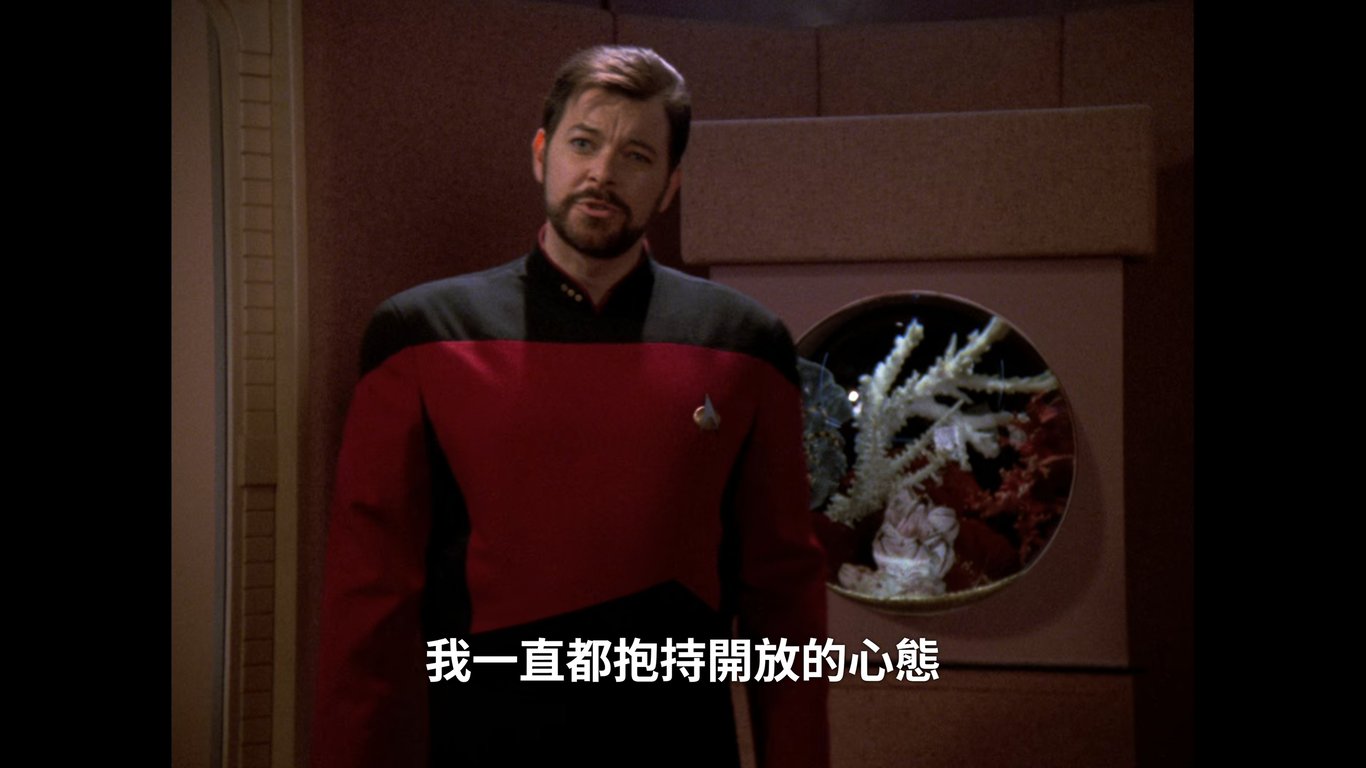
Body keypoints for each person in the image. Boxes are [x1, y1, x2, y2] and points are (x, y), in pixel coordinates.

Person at [313, 45, 829, 768]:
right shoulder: (420, 334)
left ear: (670, 185)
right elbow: (370, 597)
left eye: (637, 156)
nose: (602, 173)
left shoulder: (744, 343)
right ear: (540, 154)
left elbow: (784, 597)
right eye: (583, 143)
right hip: (478, 742)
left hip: (678, 744)